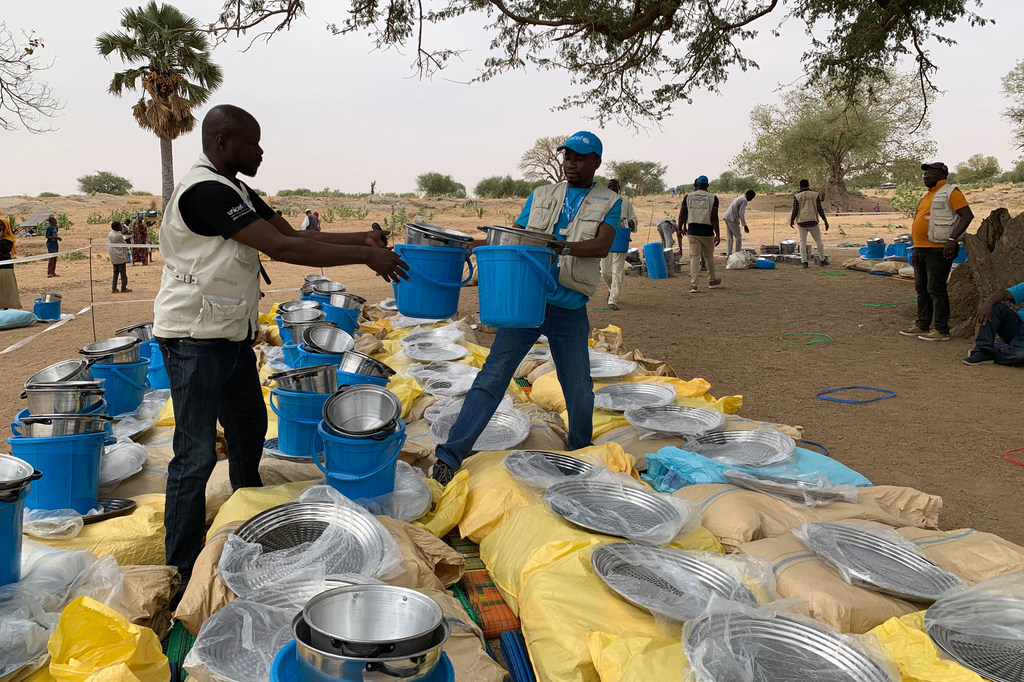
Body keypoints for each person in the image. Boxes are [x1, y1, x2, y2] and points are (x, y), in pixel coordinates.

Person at [153, 104, 408, 587]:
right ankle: (181, 567)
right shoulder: (205, 191)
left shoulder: (236, 188)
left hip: (227, 335)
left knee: (249, 429)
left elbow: (290, 233)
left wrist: (362, 237)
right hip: (192, 339)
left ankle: (245, 512)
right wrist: (365, 258)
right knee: (195, 454)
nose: (261, 151)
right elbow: (283, 250)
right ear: (223, 142)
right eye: (254, 142)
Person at [431, 130, 620, 485]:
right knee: (492, 377)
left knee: (578, 387)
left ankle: (581, 450)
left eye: (579, 158)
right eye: (567, 156)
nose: (571, 163)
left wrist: (559, 247)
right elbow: (512, 237)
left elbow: (601, 246)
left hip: (568, 306)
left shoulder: (611, 201)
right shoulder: (542, 195)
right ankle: (450, 456)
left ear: (596, 161)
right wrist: (471, 244)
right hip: (527, 301)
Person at [900, 162, 974, 342]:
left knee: (936, 289)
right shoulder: (928, 195)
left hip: (939, 249)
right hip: (920, 248)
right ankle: (922, 324)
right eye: (925, 174)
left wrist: (952, 239)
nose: (926, 176)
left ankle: (941, 330)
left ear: (942, 174)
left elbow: (967, 215)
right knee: (921, 288)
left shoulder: (951, 192)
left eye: (930, 173)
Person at [678, 175, 721, 294]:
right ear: (707, 185)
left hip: (693, 231)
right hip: (707, 231)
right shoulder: (713, 198)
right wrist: (717, 234)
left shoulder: (688, 196)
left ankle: (694, 285)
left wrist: (680, 228)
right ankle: (712, 280)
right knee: (709, 257)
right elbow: (714, 217)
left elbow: (682, 214)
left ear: (696, 185)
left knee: (694, 257)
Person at [963, 282, 1024, 365]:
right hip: (1017, 324)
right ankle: (984, 350)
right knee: (996, 307)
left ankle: (991, 352)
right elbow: (1005, 294)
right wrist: (988, 304)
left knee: (1019, 356)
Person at [600, 178, 637, 310]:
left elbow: (633, 220)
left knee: (617, 271)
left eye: (614, 187)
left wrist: (630, 223)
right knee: (605, 271)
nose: (611, 189)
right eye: (609, 187)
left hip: (620, 240)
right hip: (604, 241)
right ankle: (611, 289)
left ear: (619, 189)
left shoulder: (625, 203)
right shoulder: (602, 203)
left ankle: (613, 300)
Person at [790, 179, 829, 268]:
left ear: (800, 186)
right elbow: (820, 209)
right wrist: (825, 220)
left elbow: (795, 210)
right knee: (818, 240)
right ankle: (822, 260)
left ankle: (804, 262)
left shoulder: (797, 196)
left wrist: (792, 220)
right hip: (813, 221)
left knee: (802, 242)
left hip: (801, 221)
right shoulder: (815, 195)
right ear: (808, 185)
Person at [723, 190, 755, 255]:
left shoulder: (740, 198)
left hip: (727, 216)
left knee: (730, 237)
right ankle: (738, 253)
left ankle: (729, 254)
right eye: (751, 197)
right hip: (732, 218)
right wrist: (745, 225)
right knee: (738, 236)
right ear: (748, 195)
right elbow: (741, 213)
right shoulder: (744, 200)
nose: (751, 199)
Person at [108, 221, 132, 293]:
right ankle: (123, 287)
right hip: (120, 256)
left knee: (115, 273)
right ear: (116, 227)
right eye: (119, 226)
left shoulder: (110, 234)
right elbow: (124, 244)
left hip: (113, 256)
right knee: (123, 273)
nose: (121, 227)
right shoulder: (118, 235)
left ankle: (114, 288)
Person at [0, 231, 20, 309]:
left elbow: (5, 251)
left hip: (6, 267)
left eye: (2, 225)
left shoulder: (8, 240)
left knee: (7, 288)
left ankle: (6, 307)